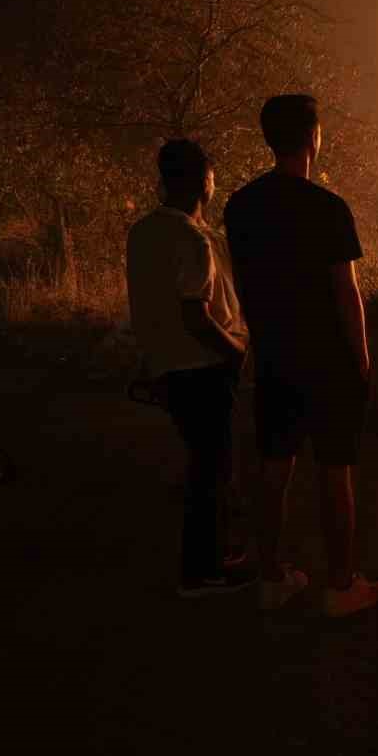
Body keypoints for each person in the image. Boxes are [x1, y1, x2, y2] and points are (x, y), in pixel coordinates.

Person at [223, 94, 378, 616]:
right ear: (314, 136)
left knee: (273, 468)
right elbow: (346, 291)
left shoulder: (240, 206)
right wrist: (361, 356)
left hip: (276, 355)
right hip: (328, 359)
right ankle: (341, 585)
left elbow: (244, 282)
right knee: (335, 470)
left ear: (269, 138)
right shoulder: (327, 209)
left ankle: (272, 576)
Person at [126, 139, 254, 597]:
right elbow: (195, 315)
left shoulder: (142, 234)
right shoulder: (193, 240)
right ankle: (202, 572)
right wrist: (236, 353)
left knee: (206, 464)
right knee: (212, 469)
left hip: (168, 366)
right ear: (205, 181)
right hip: (204, 366)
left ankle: (214, 556)